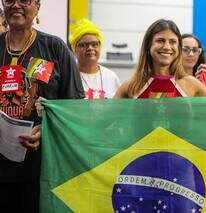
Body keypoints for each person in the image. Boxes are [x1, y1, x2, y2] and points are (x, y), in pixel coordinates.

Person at [0, 0, 84, 212]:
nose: (16, 5)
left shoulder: (55, 48)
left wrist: (47, 130)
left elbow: (75, 108)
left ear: (37, 7)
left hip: (43, 168)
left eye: (25, 0)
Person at [114, 19, 206, 98]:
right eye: (160, 41)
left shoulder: (192, 84)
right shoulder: (130, 86)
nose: (167, 47)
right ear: (148, 45)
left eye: (173, 42)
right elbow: (107, 119)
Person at [69, 19, 121, 99]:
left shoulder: (111, 77)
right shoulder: (69, 77)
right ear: (74, 49)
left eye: (94, 44)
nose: (90, 48)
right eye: (83, 45)